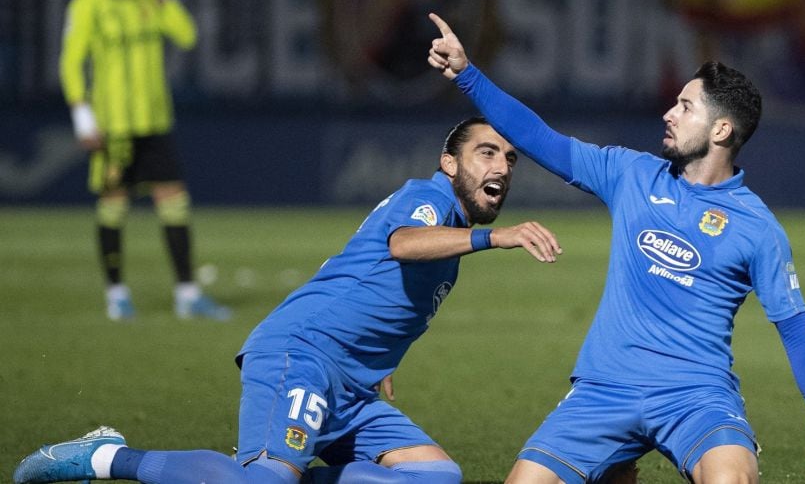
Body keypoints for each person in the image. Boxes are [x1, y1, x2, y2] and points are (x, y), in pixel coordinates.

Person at [12, 117, 563, 484]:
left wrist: (375, 363)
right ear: (450, 164)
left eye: (510, 159)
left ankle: (277, 466)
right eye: (486, 152)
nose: (501, 167)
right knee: (264, 482)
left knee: (437, 478)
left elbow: (366, 285)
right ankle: (104, 457)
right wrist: (498, 236)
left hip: (348, 383)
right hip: (299, 355)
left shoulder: (449, 230)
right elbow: (401, 246)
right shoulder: (427, 199)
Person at [426, 13, 805, 483]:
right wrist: (468, 75)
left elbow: (794, 327)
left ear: (721, 131)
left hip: (696, 396)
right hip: (604, 390)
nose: (669, 113)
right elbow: (539, 138)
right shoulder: (631, 174)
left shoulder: (757, 228)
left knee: (733, 479)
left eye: (686, 107)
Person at [59, 0, 228, 321]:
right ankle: (117, 295)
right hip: (113, 127)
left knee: (175, 204)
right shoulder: (88, 3)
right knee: (114, 206)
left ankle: (187, 294)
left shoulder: (149, 0)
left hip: (154, 121)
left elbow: (187, 36)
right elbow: (71, 60)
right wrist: (82, 115)